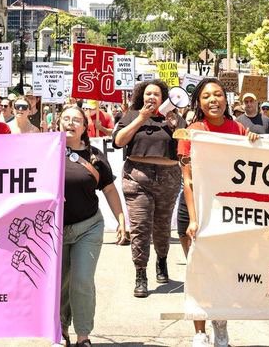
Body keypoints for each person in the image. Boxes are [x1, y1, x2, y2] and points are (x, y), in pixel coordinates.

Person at [177, 78, 258, 347]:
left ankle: (220, 324)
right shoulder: (192, 132)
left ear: (226, 99)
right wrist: (194, 218)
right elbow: (187, 178)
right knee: (199, 271)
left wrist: (255, 143)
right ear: (199, 103)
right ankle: (199, 332)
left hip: (227, 212)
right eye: (207, 96)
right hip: (195, 211)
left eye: (219, 95)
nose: (214, 100)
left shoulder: (239, 129)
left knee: (223, 272)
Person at [58, 104, 126, 347]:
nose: (70, 123)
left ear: (84, 127)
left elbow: (108, 188)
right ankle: (61, 330)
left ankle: (83, 335)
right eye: (65, 118)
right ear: (58, 123)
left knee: (81, 280)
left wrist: (120, 219)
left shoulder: (95, 156)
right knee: (61, 284)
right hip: (54, 231)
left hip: (88, 227)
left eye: (76, 120)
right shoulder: (46, 151)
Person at [112, 79, 185, 298]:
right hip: (138, 178)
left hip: (168, 178)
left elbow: (186, 144)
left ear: (163, 98)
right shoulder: (132, 116)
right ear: (141, 97)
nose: (151, 97)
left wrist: (176, 126)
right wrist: (141, 119)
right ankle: (140, 274)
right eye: (147, 94)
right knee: (140, 227)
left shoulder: (174, 118)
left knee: (162, 227)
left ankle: (161, 261)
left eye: (155, 94)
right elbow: (118, 141)